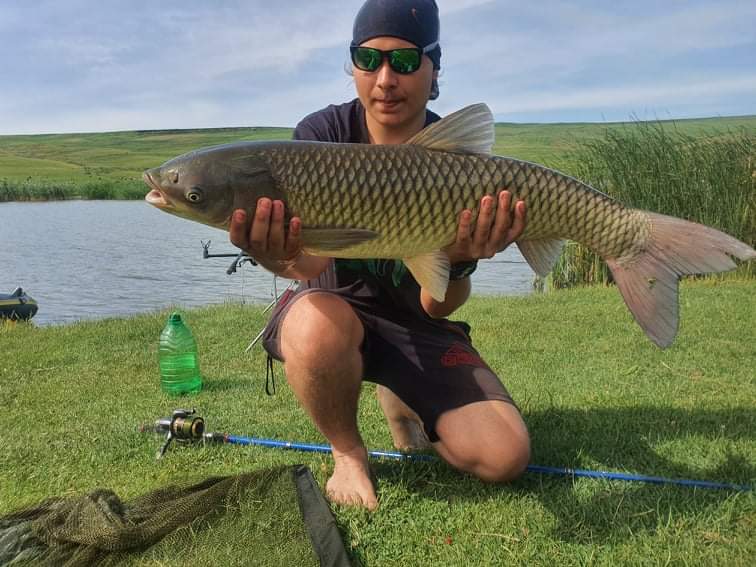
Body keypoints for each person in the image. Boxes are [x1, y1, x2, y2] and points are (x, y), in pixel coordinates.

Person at [229, 0, 530, 510]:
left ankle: (401, 395)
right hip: (335, 316)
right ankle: (348, 453)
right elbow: (309, 266)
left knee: (506, 456)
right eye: (368, 60)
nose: (386, 79)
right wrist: (271, 253)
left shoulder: (456, 158)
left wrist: (460, 258)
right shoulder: (321, 138)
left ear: (434, 68)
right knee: (313, 326)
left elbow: (438, 304)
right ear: (353, 65)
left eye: (405, 61)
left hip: (418, 325)